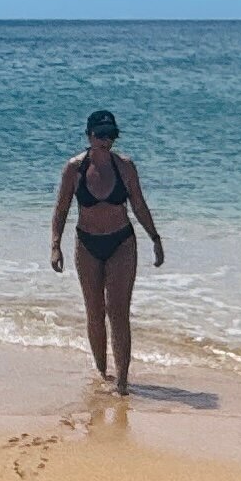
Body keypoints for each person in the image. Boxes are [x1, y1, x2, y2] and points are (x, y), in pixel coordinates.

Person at [47, 107, 163, 393]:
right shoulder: (74, 169)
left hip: (121, 242)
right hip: (87, 244)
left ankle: (122, 381)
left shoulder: (124, 167)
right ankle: (102, 372)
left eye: (110, 135)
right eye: (99, 134)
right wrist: (55, 246)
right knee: (95, 311)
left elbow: (138, 205)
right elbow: (61, 208)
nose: (105, 140)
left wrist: (155, 239)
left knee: (118, 311)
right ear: (88, 135)